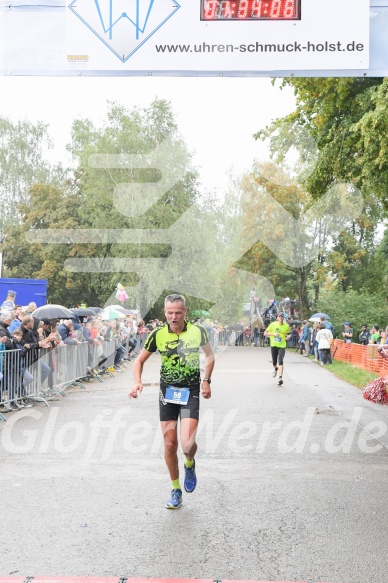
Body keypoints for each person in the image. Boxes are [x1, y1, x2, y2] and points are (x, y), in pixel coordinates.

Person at [129, 293, 214, 510]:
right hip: (168, 392)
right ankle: (176, 489)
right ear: (165, 313)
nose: (173, 316)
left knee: (186, 444)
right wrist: (137, 382)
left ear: (185, 311)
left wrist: (206, 381)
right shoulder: (158, 335)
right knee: (169, 444)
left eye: (178, 312)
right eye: (169, 312)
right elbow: (139, 361)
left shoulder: (198, 331)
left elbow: (210, 356)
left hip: (191, 390)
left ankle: (189, 463)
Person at [264, 312, 291, 386]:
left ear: (283, 318)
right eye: (279, 316)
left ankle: (280, 378)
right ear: (277, 317)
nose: (281, 317)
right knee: (274, 363)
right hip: (274, 345)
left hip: (282, 345)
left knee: (281, 360)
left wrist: (288, 336)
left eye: (282, 316)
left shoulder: (286, 326)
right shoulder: (273, 324)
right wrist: (274, 334)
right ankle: (276, 368)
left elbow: (288, 333)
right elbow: (265, 333)